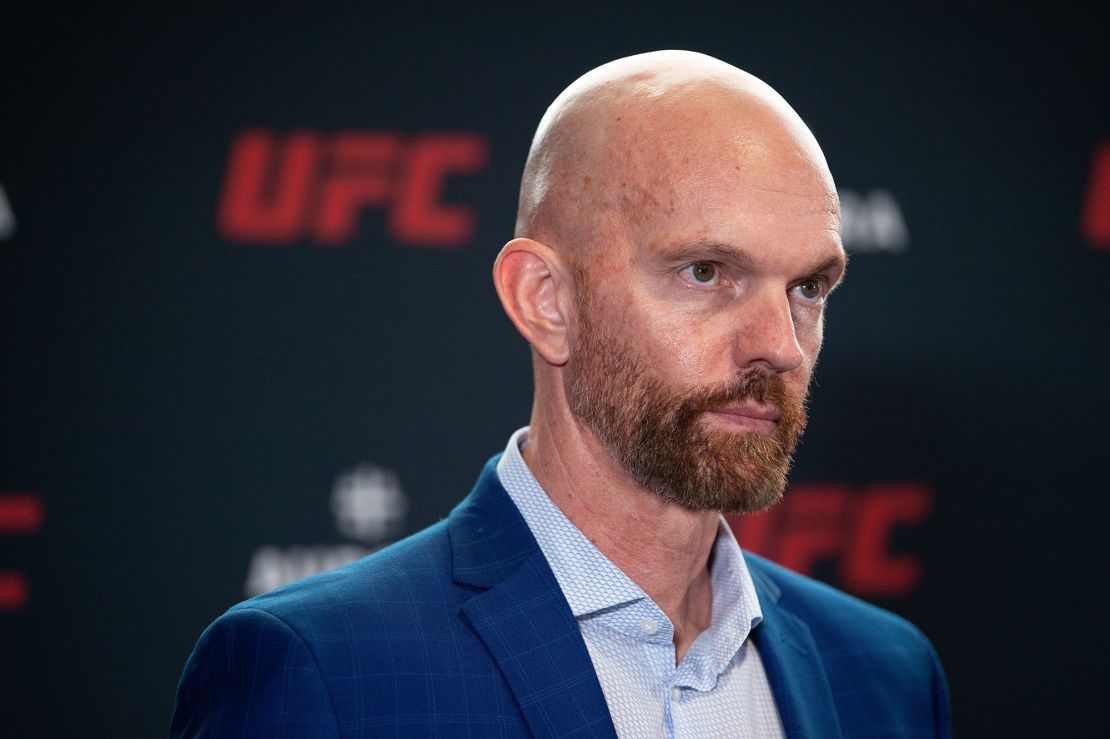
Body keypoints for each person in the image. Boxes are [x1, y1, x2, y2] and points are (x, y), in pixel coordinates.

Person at [172, 50, 951, 738]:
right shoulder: (323, 672)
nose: (780, 344)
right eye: (707, 272)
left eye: (809, 286)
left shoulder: (885, 677)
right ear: (546, 300)